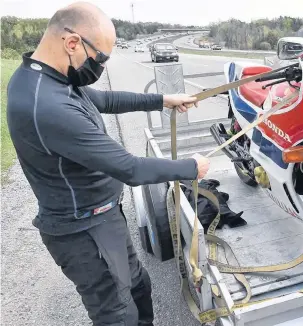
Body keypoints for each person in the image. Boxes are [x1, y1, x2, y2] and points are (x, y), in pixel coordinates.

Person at [5, 2, 210, 326]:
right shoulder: (45, 105)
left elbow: (105, 100)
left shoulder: (51, 77)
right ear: (72, 43)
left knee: (140, 288)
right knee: (118, 315)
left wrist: (163, 99)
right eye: (99, 58)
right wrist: (190, 167)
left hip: (104, 216)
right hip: (83, 232)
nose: (99, 67)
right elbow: (129, 168)